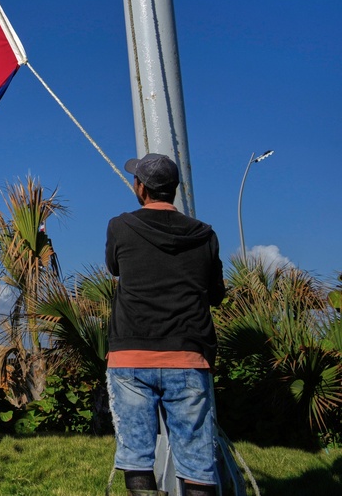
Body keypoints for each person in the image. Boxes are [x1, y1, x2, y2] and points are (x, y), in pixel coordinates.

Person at [106, 153, 225, 496]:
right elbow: (216, 294)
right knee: (197, 461)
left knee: (137, 457)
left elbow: (115, 267)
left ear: (140, 187)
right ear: (174, 189)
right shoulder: (205, 235)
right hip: (188, 355)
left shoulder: (120, 226)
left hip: (131, 356)